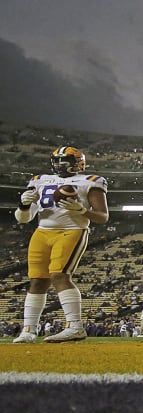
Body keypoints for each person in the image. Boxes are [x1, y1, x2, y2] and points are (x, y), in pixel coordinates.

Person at [12, 146, 109, 344]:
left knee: (59, 275)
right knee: (37, 280)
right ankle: (29, 330)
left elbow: (102, 216)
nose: (59, 164)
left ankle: (75, 327)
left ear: (78, 163)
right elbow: (24, 219)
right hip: (42, 231)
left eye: (64, 160)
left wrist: (81, 210)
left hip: (72, 230)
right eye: (56, 160)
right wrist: (23, 205)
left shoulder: (90, 181)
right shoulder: (39, 180)